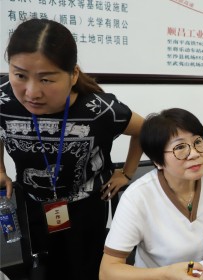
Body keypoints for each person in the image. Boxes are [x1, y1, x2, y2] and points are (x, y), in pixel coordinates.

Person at [0, 19, 144, 280]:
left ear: (73, 74)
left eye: (46, 79)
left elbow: (145, 129)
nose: (31, 92)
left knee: (83, 271)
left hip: (85, 209)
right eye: (19, 75)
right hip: (32, 204)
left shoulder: (99, 109)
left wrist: (127, 173)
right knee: (38, 270)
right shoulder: (3, 97)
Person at [100, 108, 203, 279]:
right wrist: (166, 274)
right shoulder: (138, 197)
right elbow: (107, 272)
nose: (194, 154)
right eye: (180, 147)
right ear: (157, 161)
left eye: (198, 142)